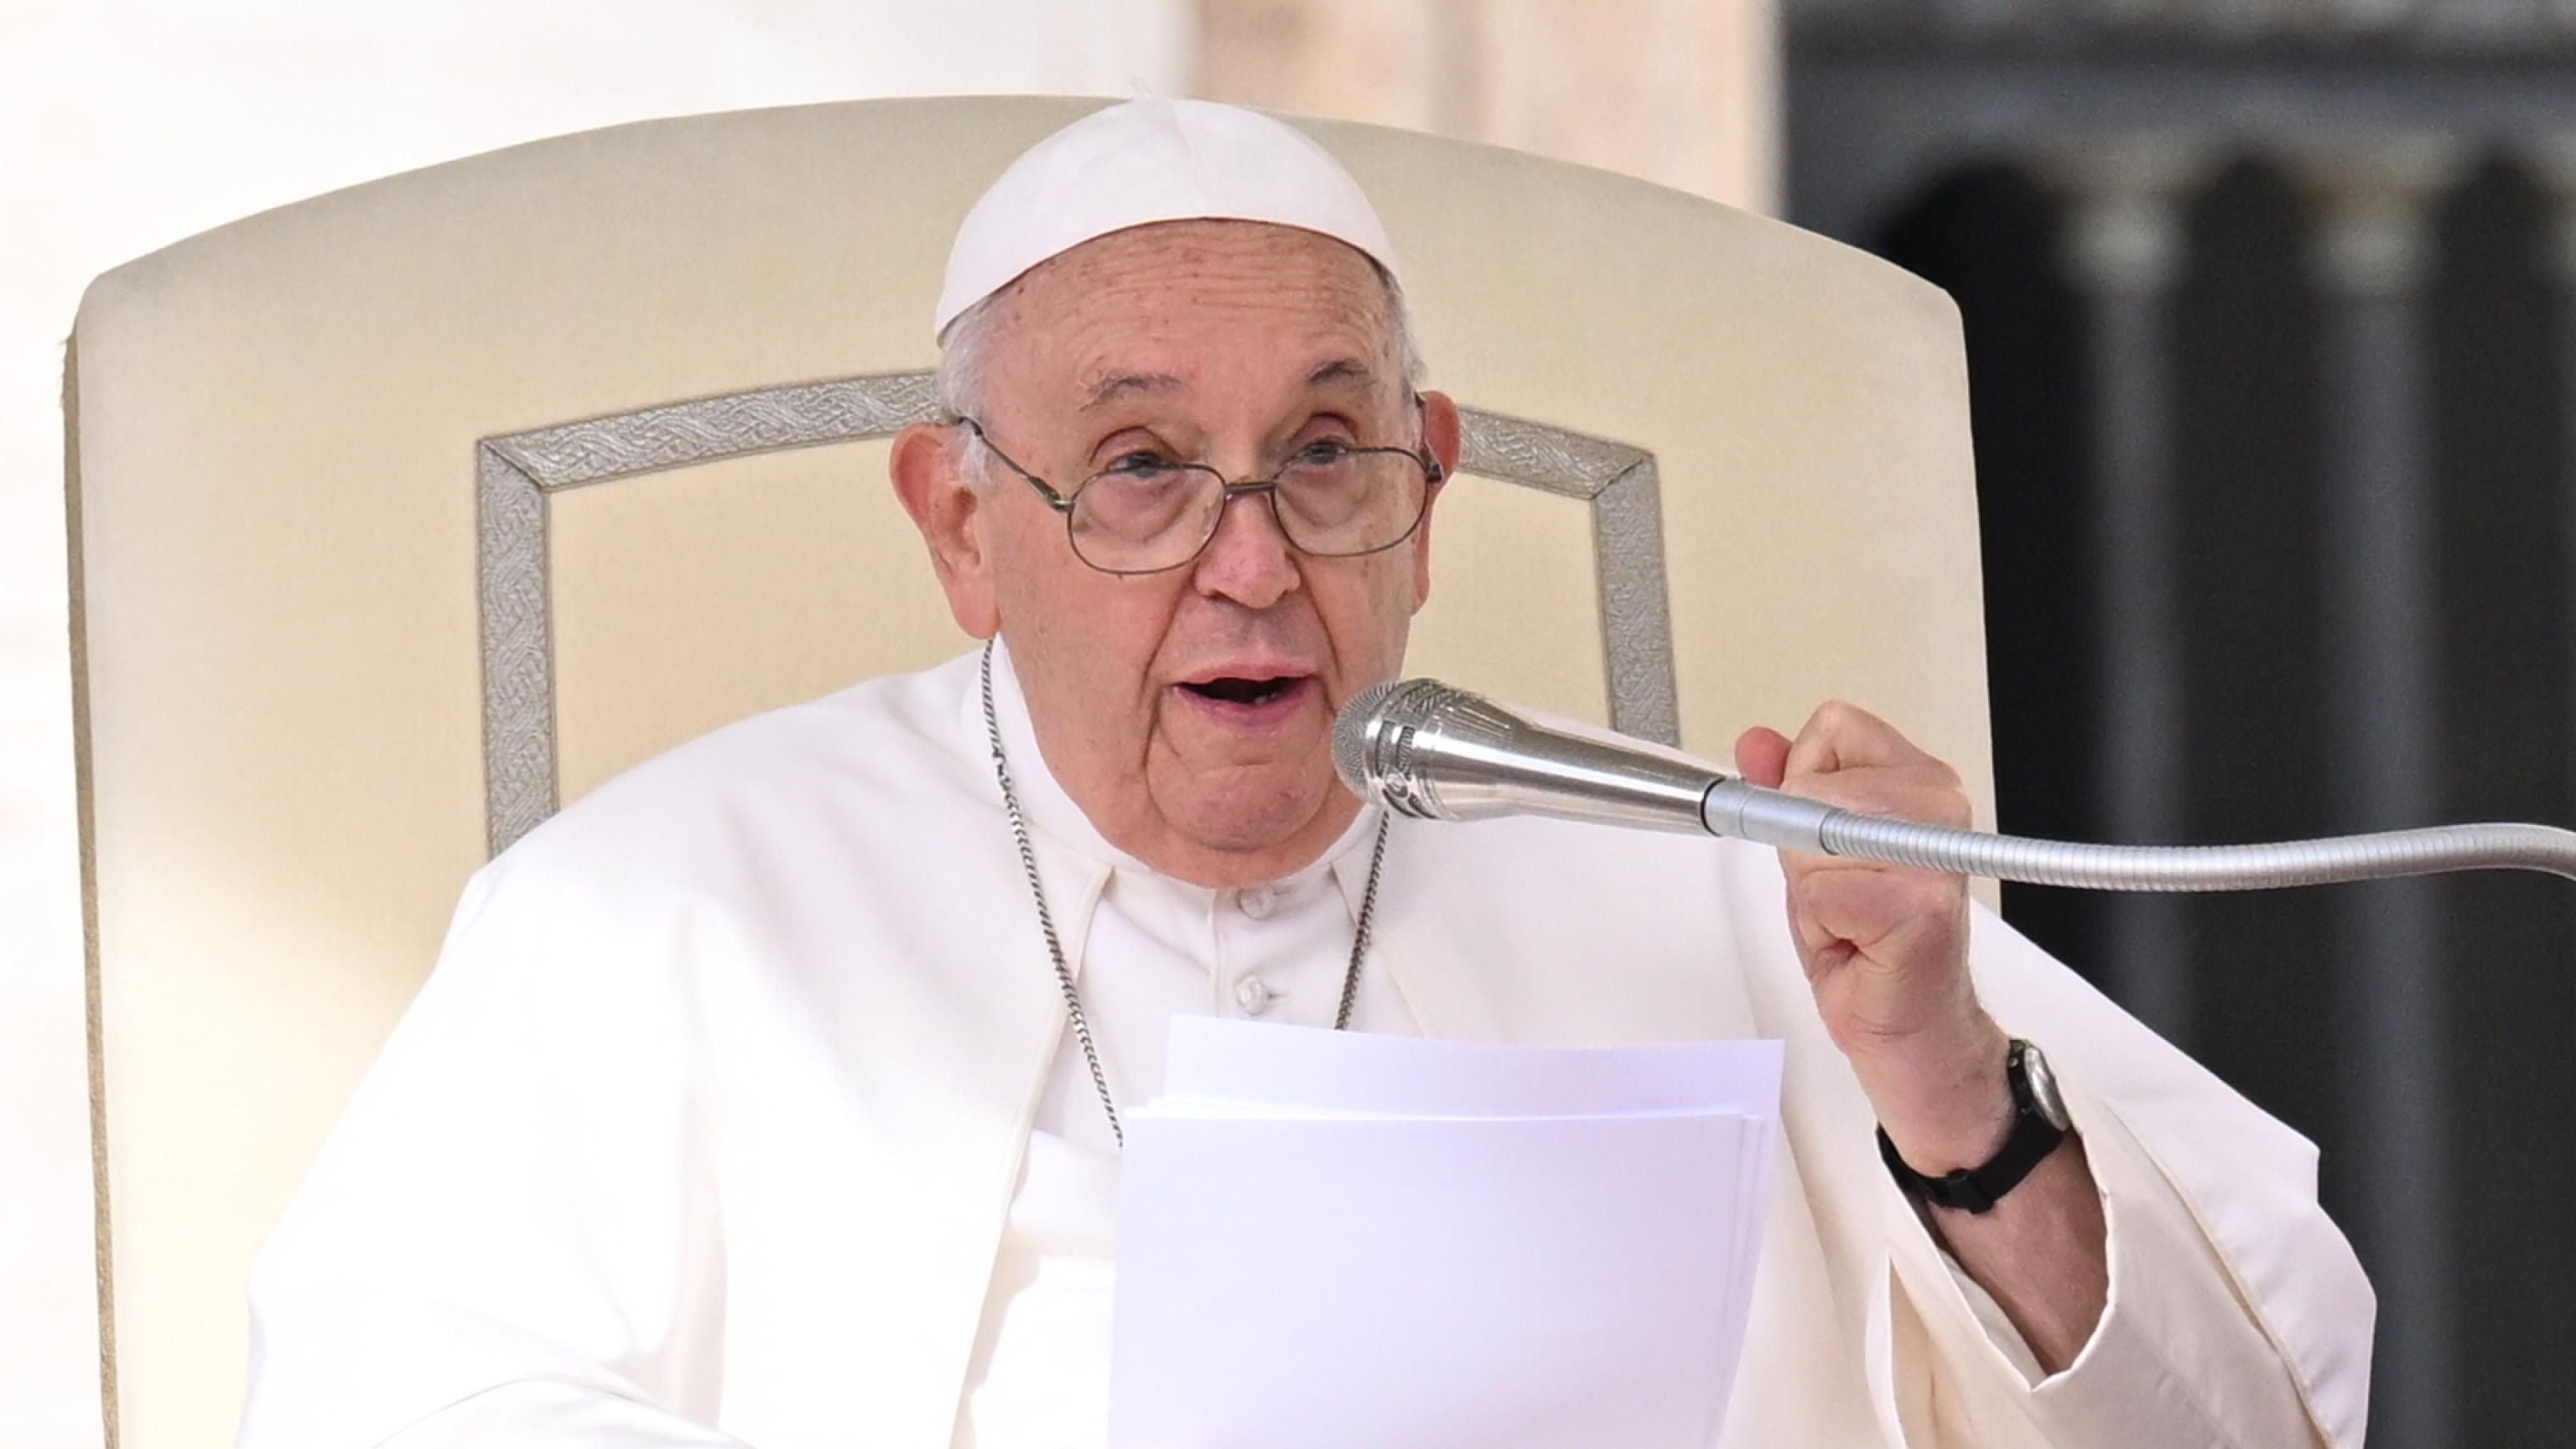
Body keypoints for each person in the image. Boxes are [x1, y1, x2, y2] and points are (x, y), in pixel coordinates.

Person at [236, 98, 2371, 1449]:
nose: (1252, 565)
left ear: (1431, 496)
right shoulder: (665, 909)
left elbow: (2243, 1423)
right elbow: (390, 1402)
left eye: (1326, 454)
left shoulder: (1733, 879)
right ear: (964, 527)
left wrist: (1937, 1068)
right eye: (1143, 469)